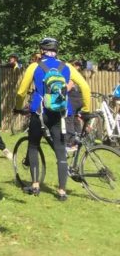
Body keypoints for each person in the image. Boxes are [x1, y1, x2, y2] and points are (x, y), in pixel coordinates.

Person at [15, 38, 86, 201]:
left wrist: (18, 107)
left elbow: (21, 92)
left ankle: (35, 185)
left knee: (33, 145)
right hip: (60, 114)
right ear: (57, 50)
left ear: (42, 50)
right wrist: (87, 109)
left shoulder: (34, 66)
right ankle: (61, 191)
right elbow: (85, 87)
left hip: (39, 112)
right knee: (60, 150)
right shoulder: (67, 67)